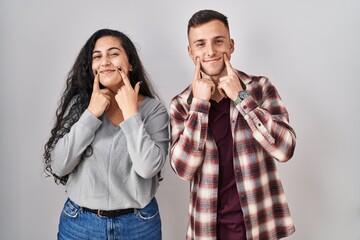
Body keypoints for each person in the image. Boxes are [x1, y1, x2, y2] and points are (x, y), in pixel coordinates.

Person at [170, 9, 296, 240]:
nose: (210, 51)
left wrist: (242, 98)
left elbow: (285, 149)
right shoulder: (181, 104)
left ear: (231, 45)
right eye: (200, 44)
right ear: (190, 52)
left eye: (218, 41)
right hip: (208, 231)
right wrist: (199, 104)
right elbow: (183, 169)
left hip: (260, 227)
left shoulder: (260, 88)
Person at [43, 29, 169, 240]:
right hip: (80, 225)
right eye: (97, 56)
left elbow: (148, 168)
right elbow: (59, 164)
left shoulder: (154, 110)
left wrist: (131, 115)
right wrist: (91, 114)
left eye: (113, 53)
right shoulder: (79, 107)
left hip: (139, 225)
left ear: (130, 64)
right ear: (91, 67)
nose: (105, 62)